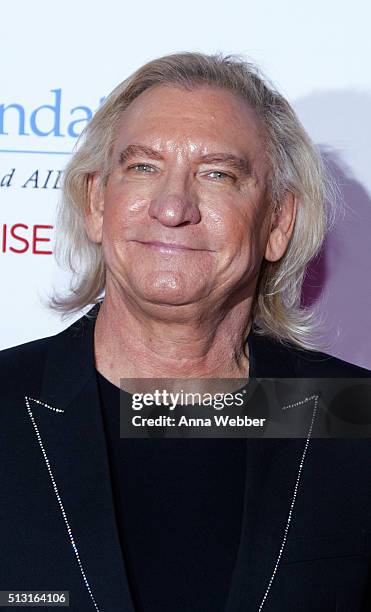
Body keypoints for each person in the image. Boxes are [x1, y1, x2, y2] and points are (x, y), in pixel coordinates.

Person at [1, 52, 370, 612]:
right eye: (143, 167)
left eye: (217, 174)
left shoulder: (352, 416)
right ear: (97, 202)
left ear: (278, 223)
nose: (173, 208)